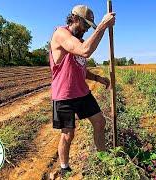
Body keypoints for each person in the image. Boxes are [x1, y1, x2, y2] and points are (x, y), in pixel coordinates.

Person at [48, 4, 116, 177]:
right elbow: (85, 51)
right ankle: (64, 167)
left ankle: (103, 160)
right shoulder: (61, 34)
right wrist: (102, 26)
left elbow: (80, 68)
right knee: (68, 135)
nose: (86, 29)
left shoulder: (77, 41)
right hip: (64, 94)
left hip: (82, 93)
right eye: (85, 25)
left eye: (89, 26)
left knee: (100, 122)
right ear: (75, 19)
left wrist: (98, 79)